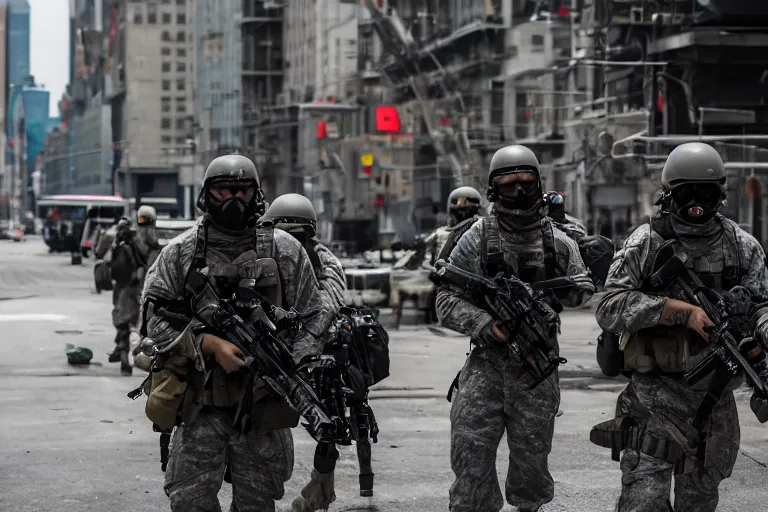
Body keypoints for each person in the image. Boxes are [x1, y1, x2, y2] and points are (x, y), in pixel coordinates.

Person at [140, 154, 335, 512]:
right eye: (223, 191)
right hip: (201, 405)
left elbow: (313, 315)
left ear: (257, 195)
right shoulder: (181, 252)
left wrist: (288, 364)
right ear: (206, 195)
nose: (232, 201)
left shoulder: (285, 250)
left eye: (242, 193)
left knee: (258, 503)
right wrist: (207, 343)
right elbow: (153, 320)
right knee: (189, 501)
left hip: (263, 407)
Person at [594, 142, 768, 512]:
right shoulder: (646, 242)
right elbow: (609, 306)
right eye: (686, 192)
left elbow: (762, 307)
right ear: (668, 194)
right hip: (654, 398)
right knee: (643, 503)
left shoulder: (743, 247)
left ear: (720, 195)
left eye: (706, 193)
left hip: (714, 404)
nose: (696, 202)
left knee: (700, 503)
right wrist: (676, 311)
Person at [435, 144, 595, 512]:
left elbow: (582, 291)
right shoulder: (477, 236)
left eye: (526, 183)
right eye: (509, 185)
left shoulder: (556, 239)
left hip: (536, 370)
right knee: (469, 455)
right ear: (494, 189)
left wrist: (554, 293)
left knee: (531, 471)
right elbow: (445, 300)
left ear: (539, 184)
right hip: (488, 365)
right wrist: (485, 324)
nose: (519, 192)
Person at [106, 205, 161, 375]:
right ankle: (125, 347)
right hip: (145, 286)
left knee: (124, 317)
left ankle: (123, 346)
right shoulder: (158, 239)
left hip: (134, 285)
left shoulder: (131, 236)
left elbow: (107, 257)